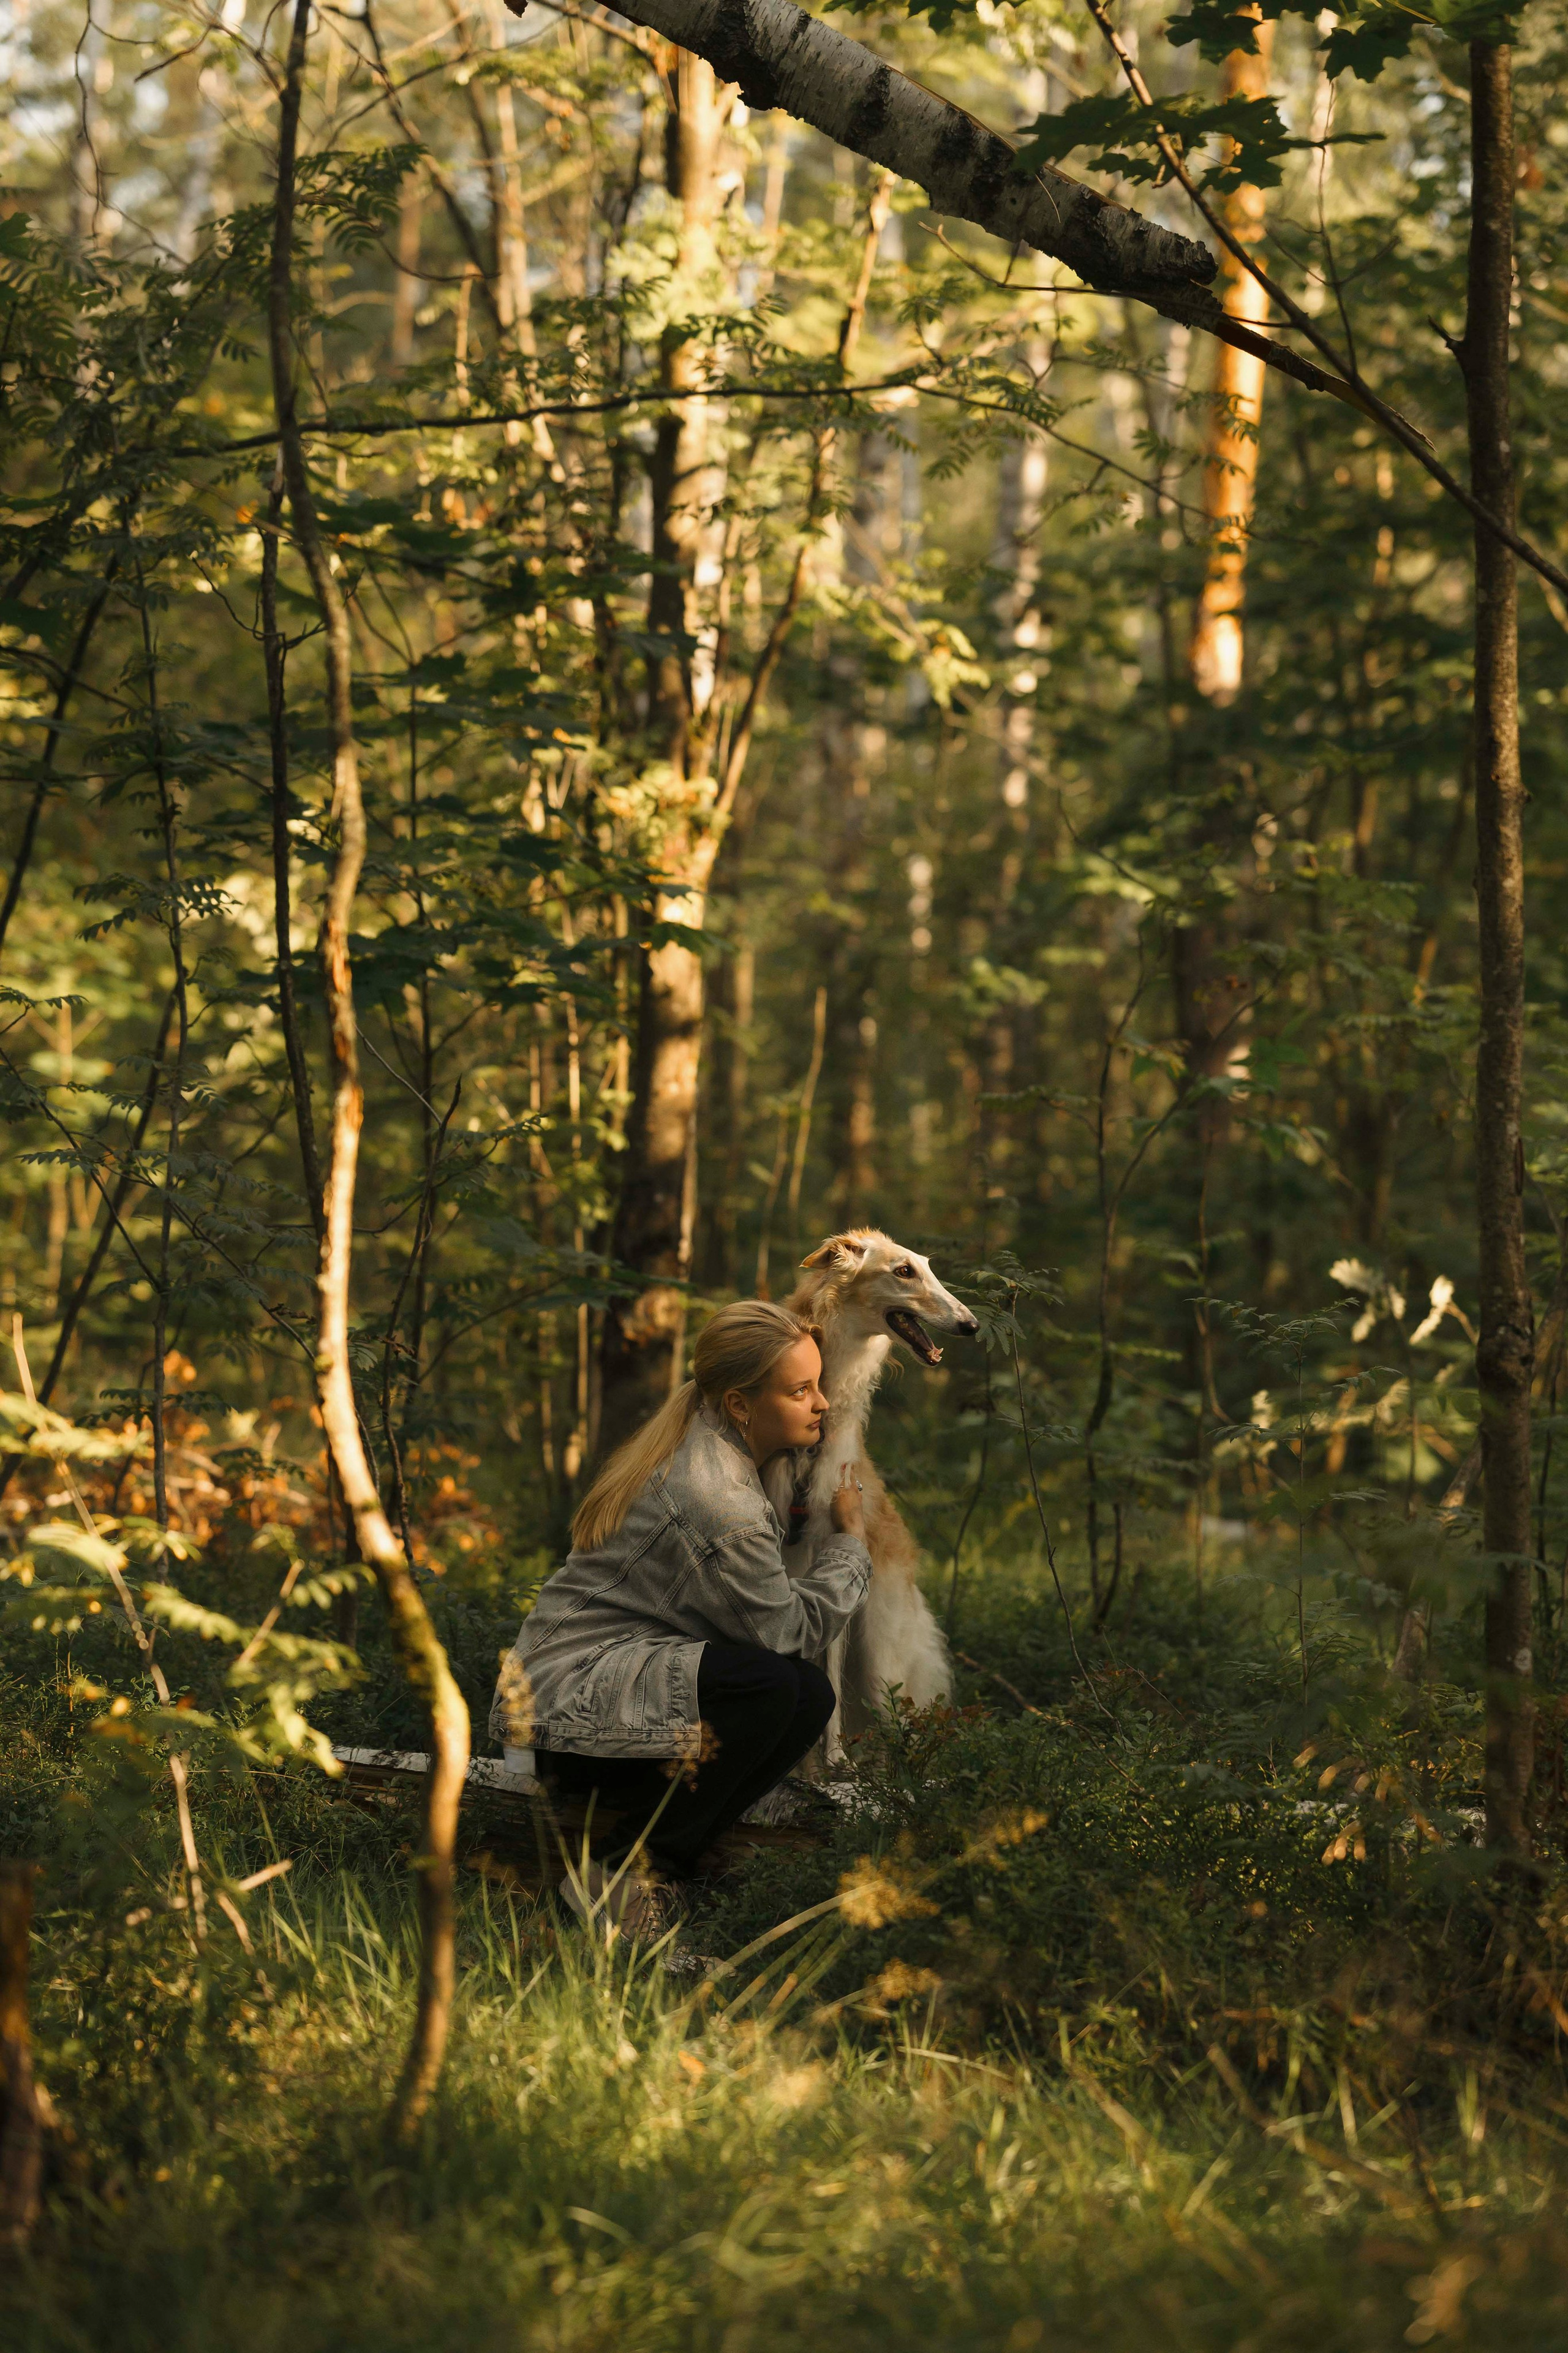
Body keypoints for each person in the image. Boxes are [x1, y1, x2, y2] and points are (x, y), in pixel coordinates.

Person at [490, 1300, 869, 1939]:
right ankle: (620, 1878)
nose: (822, 1403)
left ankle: (664, 1869)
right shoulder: (719, 1500)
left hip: (588, 1694)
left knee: (802, 1694)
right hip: (561, 1715)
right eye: (800, 1390)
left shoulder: (710, 1433)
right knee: (778, 1686)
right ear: (741, 1406)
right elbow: (786, 1634)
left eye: (818, 1385)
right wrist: (849, 1543)